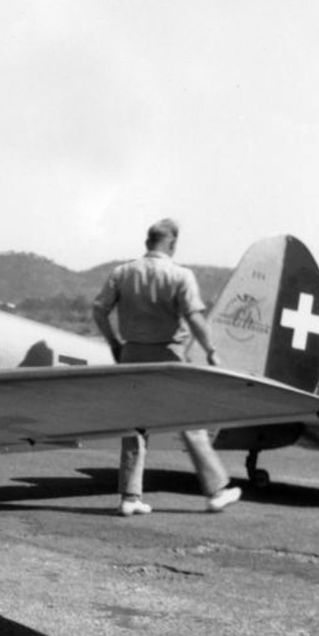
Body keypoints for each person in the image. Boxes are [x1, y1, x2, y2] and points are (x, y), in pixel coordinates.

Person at [92, 218, 242, 516]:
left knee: (134, 425)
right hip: (169, 358)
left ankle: (130, 497)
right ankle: (216, 491)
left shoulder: (122, 272)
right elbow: (196, 318)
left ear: (148, 241)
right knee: (189, 422)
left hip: (132, 355)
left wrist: (114, 342)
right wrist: (211, 351)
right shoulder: (179, 275)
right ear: (172, 243)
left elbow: (99, 309)